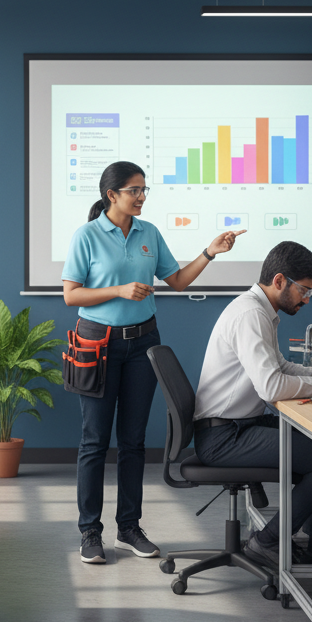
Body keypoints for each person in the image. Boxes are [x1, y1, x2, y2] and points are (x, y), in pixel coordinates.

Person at [62, 161, 246, 565]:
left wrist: (209, 253)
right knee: (94, 442)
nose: (142, 197)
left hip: (143, 343)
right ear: (112, 195)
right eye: (134, 190)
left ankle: (129, 528)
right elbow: (71, 296)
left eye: (145, 190)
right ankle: (90, 531)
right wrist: (118, 290)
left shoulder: (150, 233)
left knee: (133, 442)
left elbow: (177, 281)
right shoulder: (88, 236)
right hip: (99, 345)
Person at [192, 241, 312, 570]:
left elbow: (280, 367)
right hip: (224, 437)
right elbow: (271, 385)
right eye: (305, 290)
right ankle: (267, 541)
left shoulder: (260, 311)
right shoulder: (250, 315)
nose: (307, 299)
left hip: (240, 424)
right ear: (280, 280)